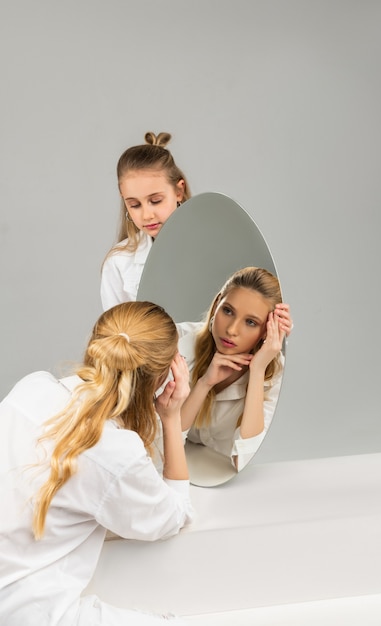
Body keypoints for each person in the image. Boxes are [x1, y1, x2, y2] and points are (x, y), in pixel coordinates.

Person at [0, 301, 194, 626]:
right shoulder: (117, 453)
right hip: (31, 613)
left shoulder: (31, 388)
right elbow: (175, 515)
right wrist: (171, 417)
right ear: (163, 375)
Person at [178, 267, 293, 472]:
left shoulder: (275, 374)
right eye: (228, 311)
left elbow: (246, 461)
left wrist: (257, 372)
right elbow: (159, 442)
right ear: (216, 306)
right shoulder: (176, 341)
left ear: (267, 330)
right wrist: (204, 383)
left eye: (250, 322)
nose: (231, 330)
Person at [101, 131, 191, 311]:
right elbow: (115, 333)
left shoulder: (210, 244)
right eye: (134, 204)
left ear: (178, 191)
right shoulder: (119, 262)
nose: (147, 215)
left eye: (156, 201)